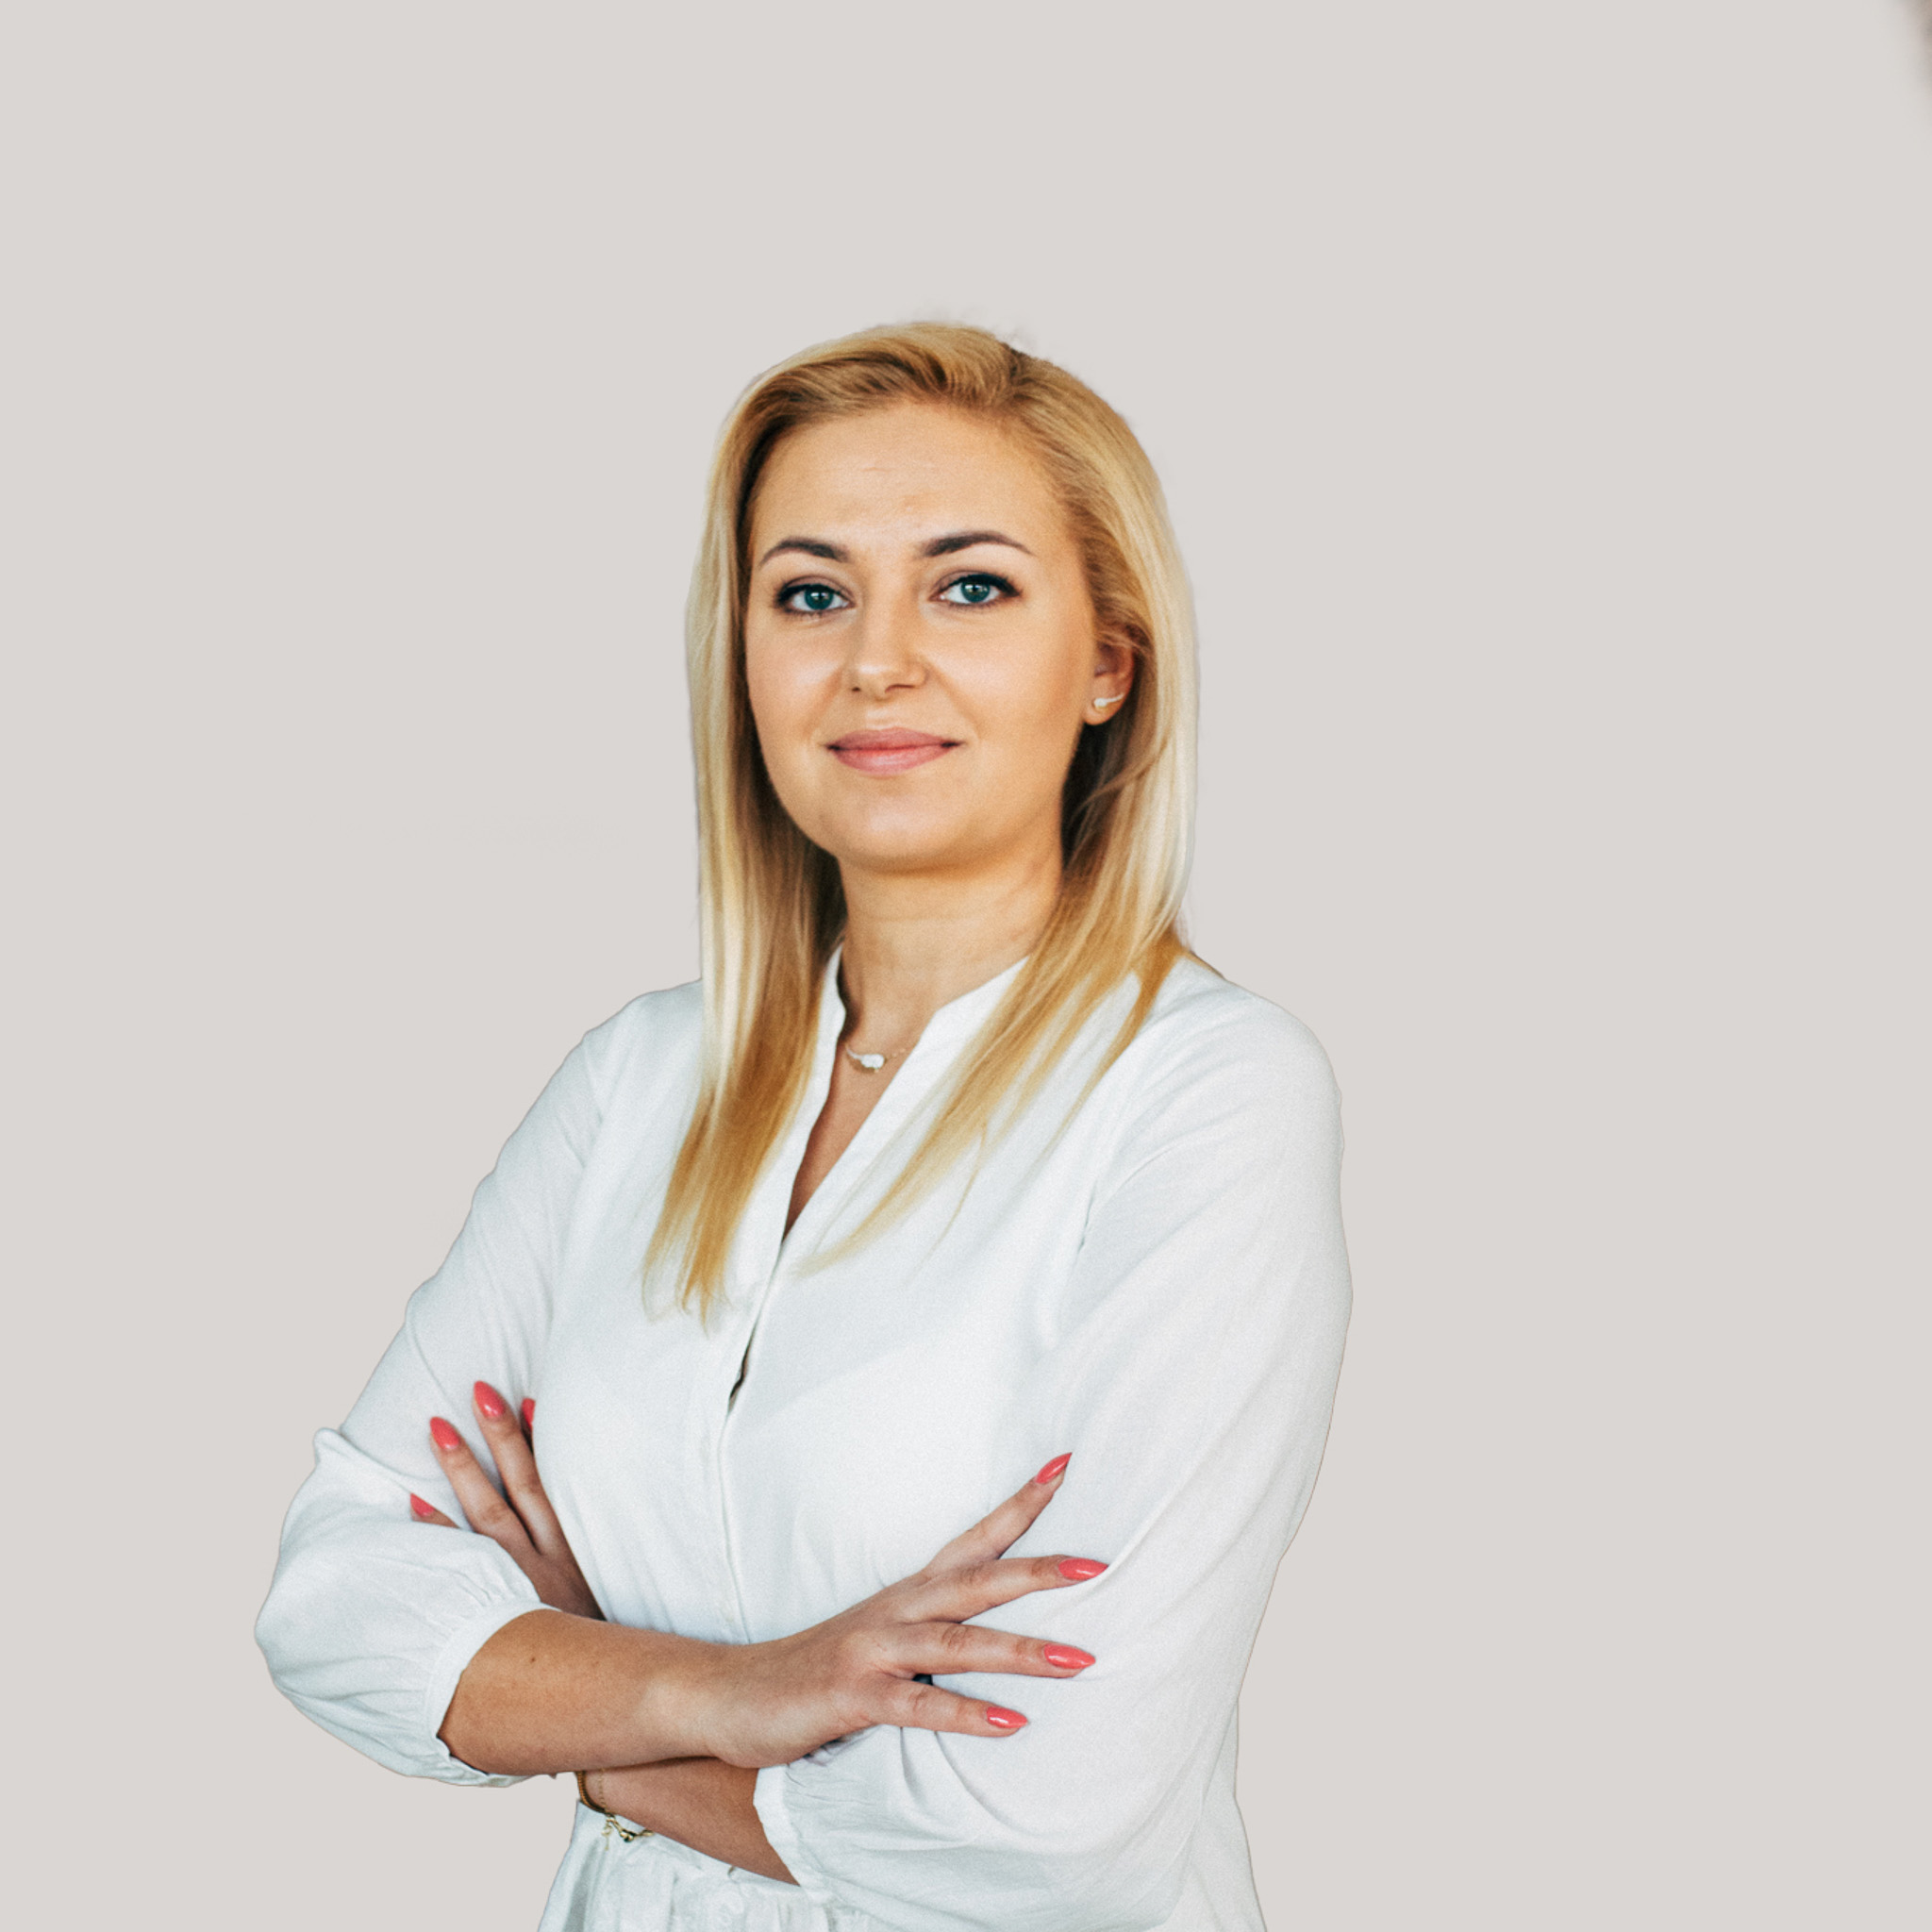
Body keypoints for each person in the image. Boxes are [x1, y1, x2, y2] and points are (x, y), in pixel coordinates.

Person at [257, 322, 1352, 1932]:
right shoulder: (636, 1083)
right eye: (812, 595)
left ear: (1109, 664)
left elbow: (1049, 1827)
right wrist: (728, 1690)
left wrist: (590, 1718)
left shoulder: (1203, 1096)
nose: (877, 662)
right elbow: (330, 1600)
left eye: (969, 586)